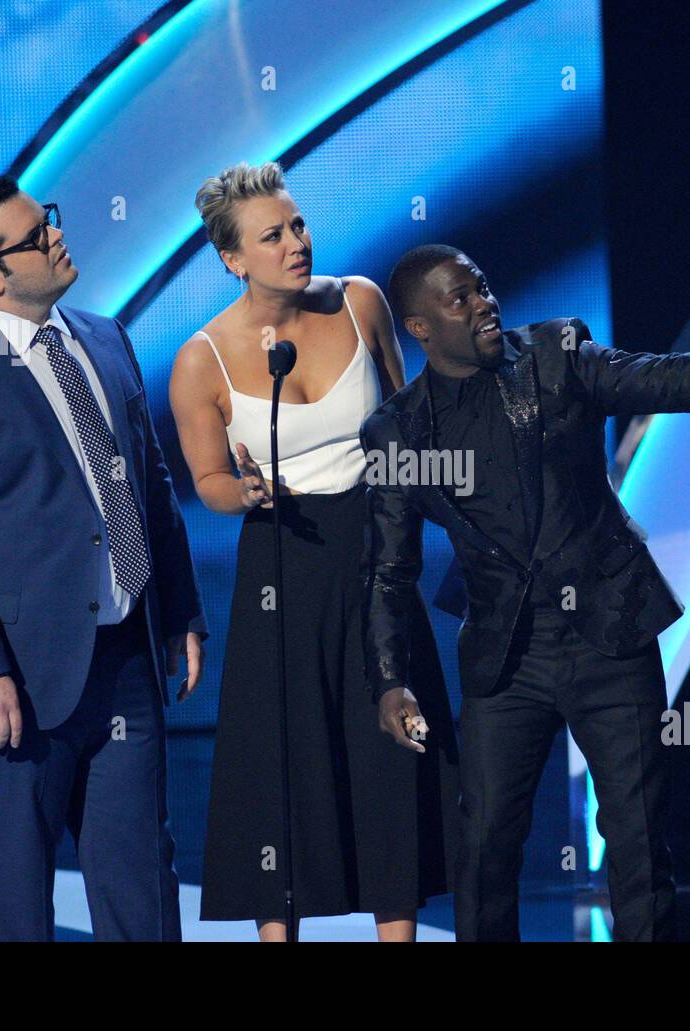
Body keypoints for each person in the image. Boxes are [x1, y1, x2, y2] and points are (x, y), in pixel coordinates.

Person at [361, 244, 690, 941]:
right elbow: (389, 569)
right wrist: (390, 679)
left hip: (609, 632)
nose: (485, 302)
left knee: (637, 841)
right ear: (420, 327)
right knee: (485, 845)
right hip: (505, 655)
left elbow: (657, 379)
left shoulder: (556, 353)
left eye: (484, 287)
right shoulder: (397, 431)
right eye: (460, 297)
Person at [0, 176, 206, 941]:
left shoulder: (103, 337)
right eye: (35, 236)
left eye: (48, 220)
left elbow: (152, 484)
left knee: (142, 883)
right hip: (14, 679)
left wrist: (181, 611)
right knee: (20, 895)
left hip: (124, 655)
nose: (57, 236)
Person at [169, 162, 459, 941]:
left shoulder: (360, 301)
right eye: (273, 235)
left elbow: (410, 425)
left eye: (297, 224)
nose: (297, 242)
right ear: (233, 259)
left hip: (376, 558)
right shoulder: (204, 359)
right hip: (283, 567)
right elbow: (206, 480)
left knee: (390, 752)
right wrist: (245, 493)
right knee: (286, 765)